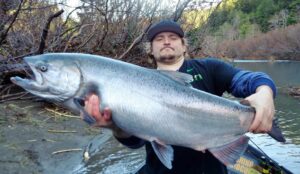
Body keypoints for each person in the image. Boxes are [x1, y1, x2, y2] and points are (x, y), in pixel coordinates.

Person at [83, 20, 276, 173]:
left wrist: (265, 91)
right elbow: (136, 141)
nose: (166, 41)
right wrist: (115, 128)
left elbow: (247, 79)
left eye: (173, 37)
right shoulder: (135, 83)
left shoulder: (209, 68)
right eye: (159, 39)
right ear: (150, 49)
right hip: (159, 169)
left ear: (184, 46)